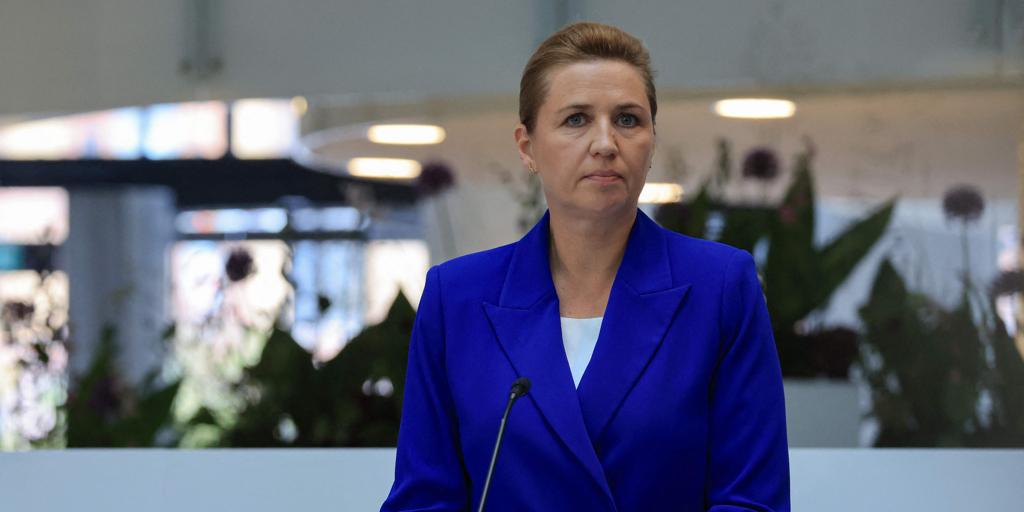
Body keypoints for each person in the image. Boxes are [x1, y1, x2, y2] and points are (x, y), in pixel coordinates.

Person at [381, 21, 790, 511]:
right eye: (576, 119)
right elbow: (423, 500)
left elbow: (752, 500)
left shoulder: (720, 287)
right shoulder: (456, 298)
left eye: (628, 119)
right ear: (527, 147)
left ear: (652, 141)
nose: (605, 143)